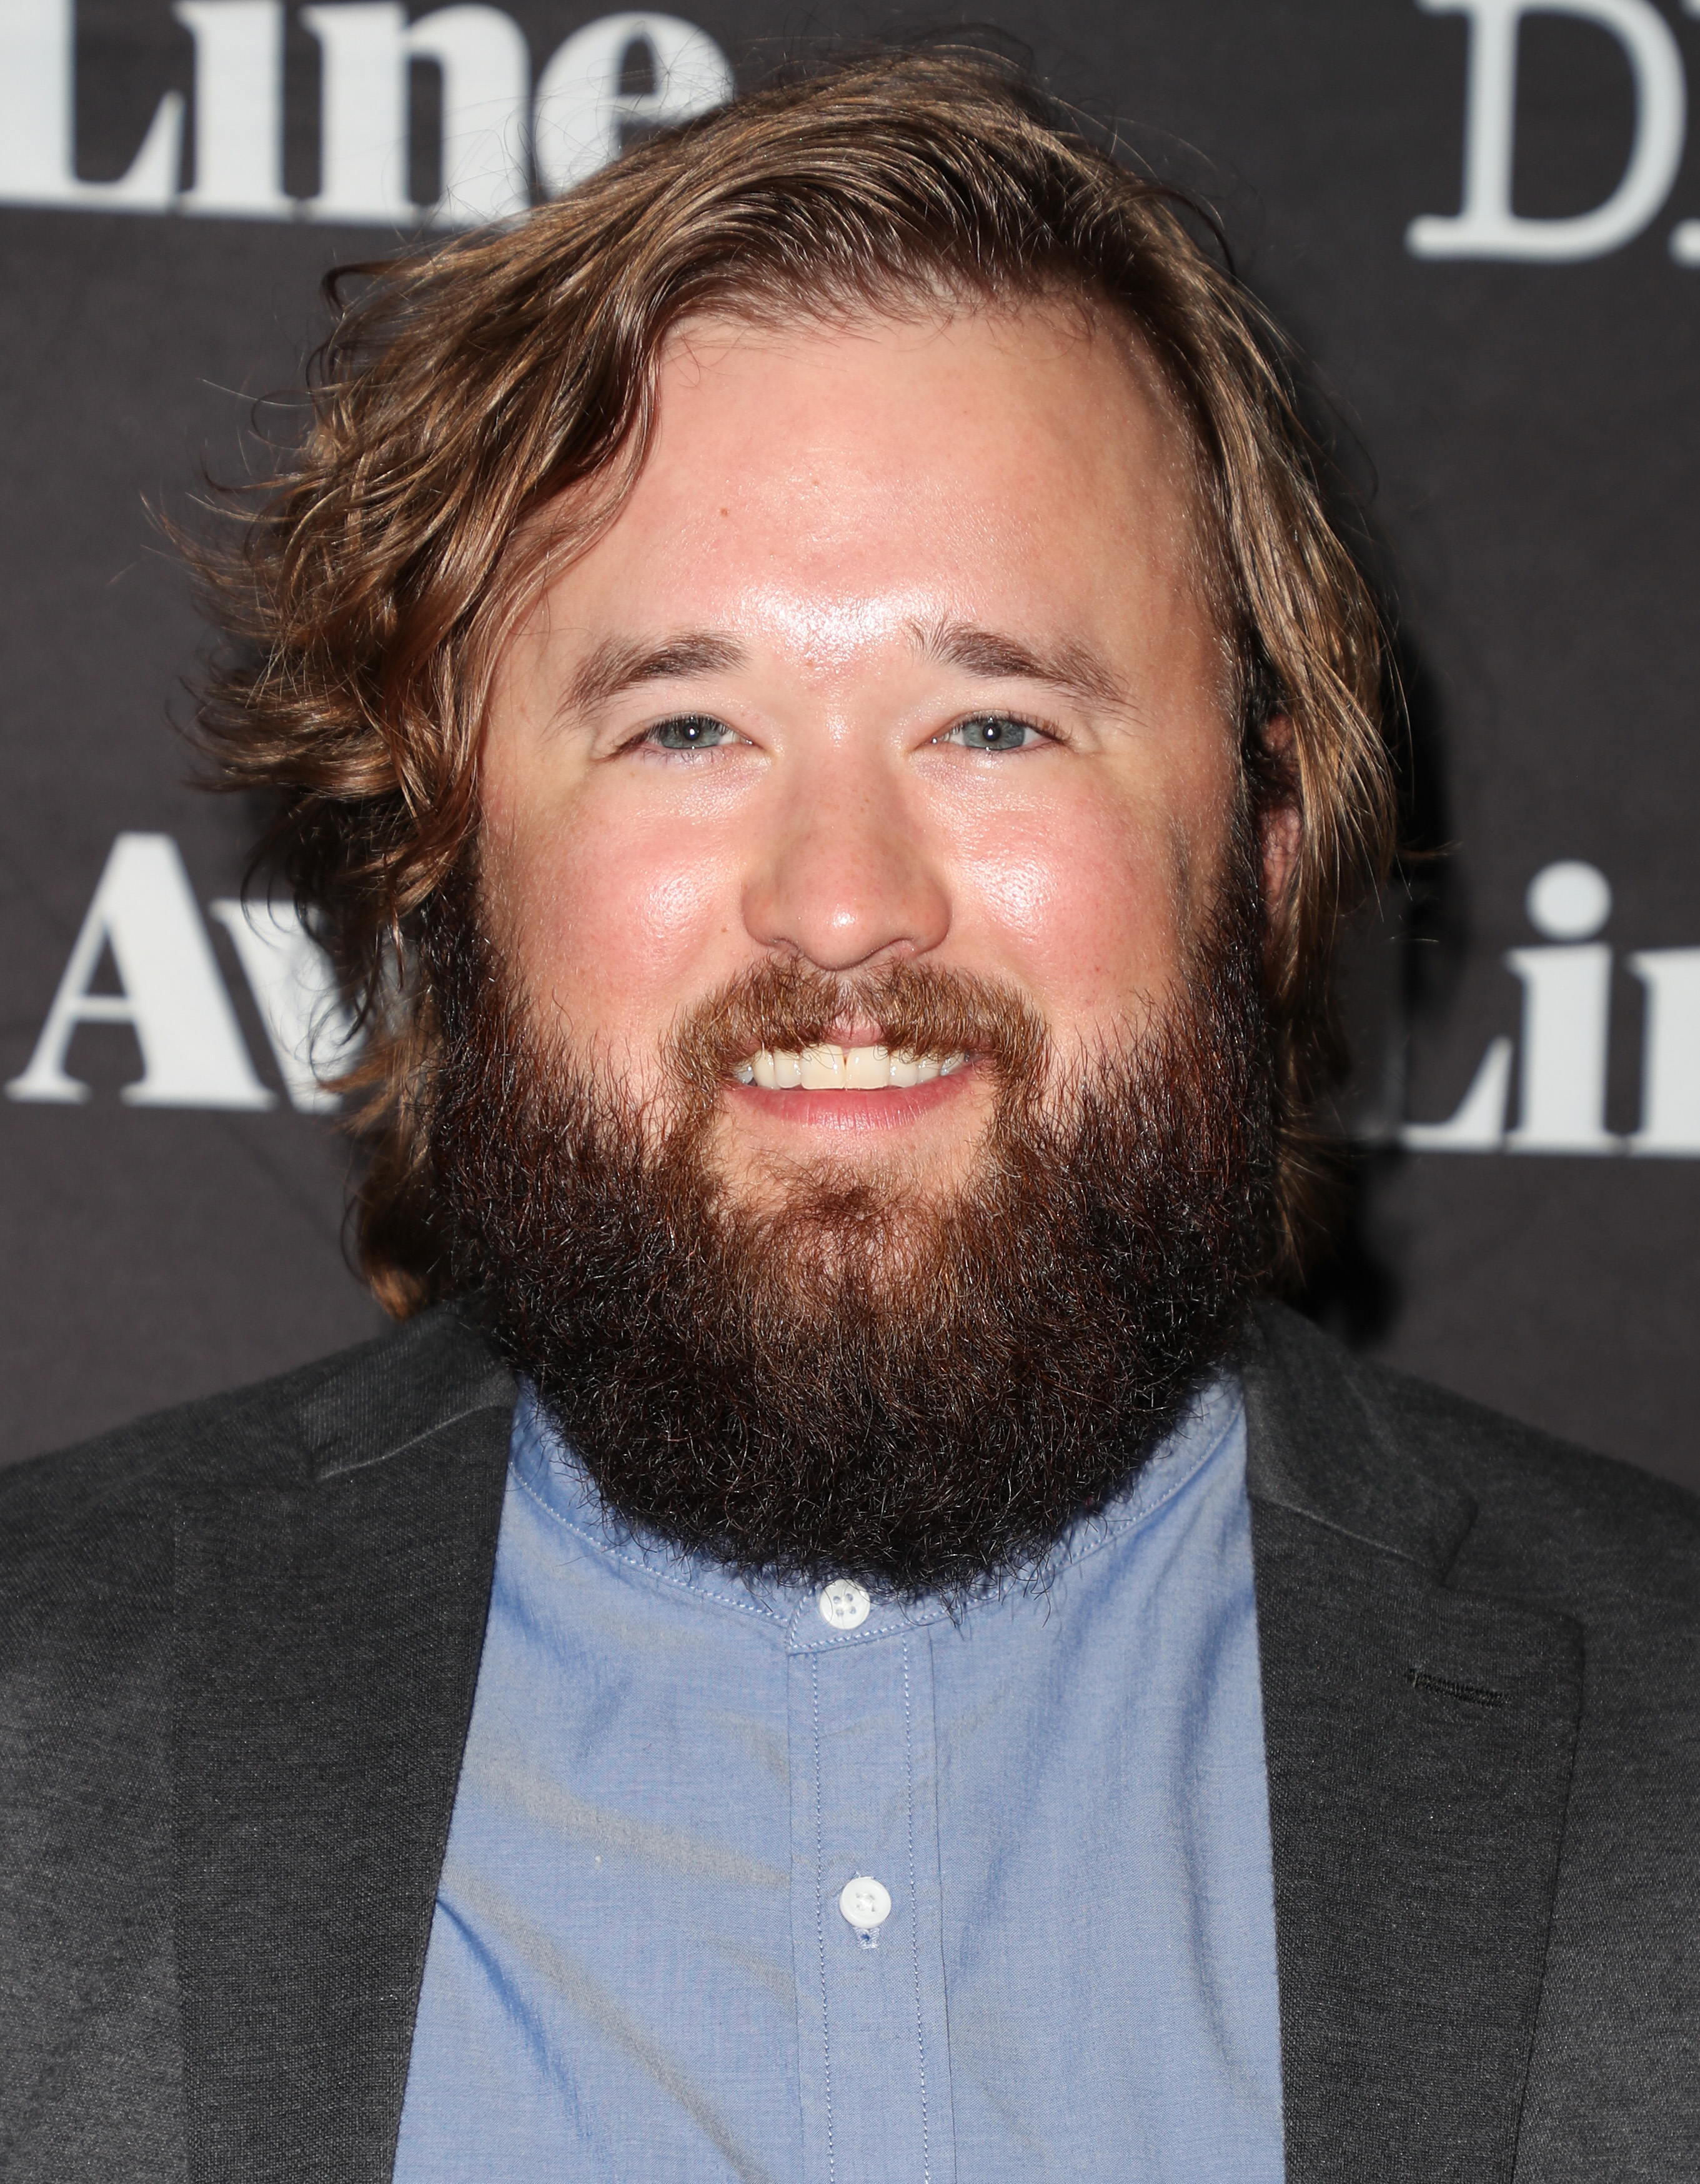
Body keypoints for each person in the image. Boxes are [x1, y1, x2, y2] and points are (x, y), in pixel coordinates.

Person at [2, 46, 1695, 2184]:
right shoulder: (32, 1727)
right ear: (446, 856)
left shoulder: (1670, 1752)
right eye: (686, 723)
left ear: (1264, 842)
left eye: (993, 722)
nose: (842, 902)